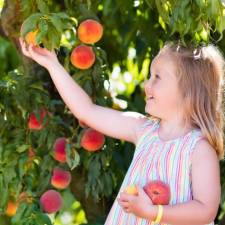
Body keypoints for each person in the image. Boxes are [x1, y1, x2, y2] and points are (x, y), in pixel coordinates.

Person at [19, 38, 224, 225]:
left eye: (157, 77)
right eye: (149, 76)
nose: (146, 84)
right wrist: (52, 65)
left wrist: (154, 213)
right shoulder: (144, 130)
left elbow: (205, 210)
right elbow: (86, 111)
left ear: (188, 91)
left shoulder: (198, 149)